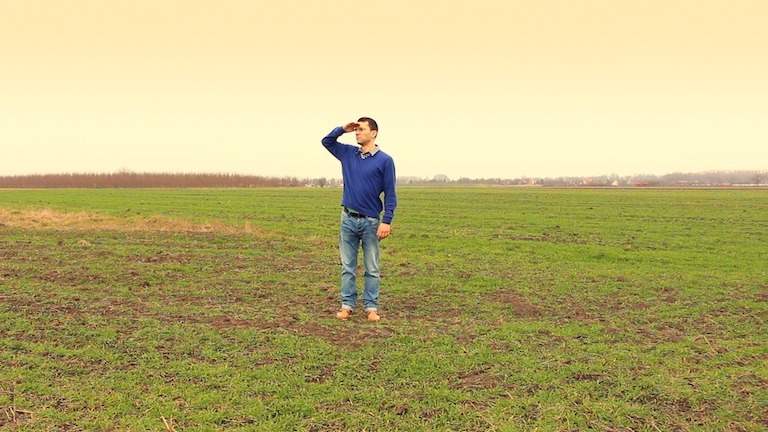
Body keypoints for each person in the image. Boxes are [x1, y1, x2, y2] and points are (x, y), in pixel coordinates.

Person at [321, 117, 397, 321]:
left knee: (372, 268)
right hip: (348, 219)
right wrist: (342, 129)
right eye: (356, 130)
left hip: (371, 222)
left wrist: (387, 221)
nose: (357, 133)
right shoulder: (348, 153)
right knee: (347, 267)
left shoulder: (385, 160)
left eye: (362, 129)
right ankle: (347, 305)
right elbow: (327, 141)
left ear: (373, 133)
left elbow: (390, 194)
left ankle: (371, 308)